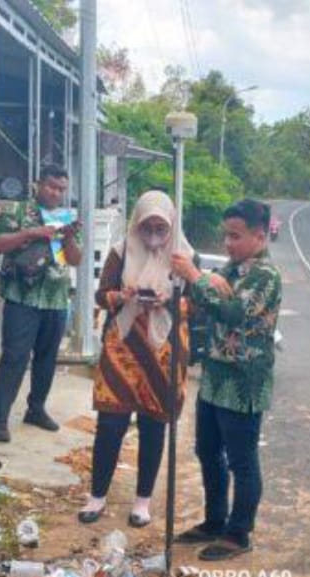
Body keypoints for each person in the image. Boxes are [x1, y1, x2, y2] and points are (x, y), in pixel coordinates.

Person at [168, 199, 283, 562]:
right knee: (206, 451)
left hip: (243, 381)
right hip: (215, 375)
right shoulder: (232, 270)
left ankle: (239, 532)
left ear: (260, 235)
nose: (228, 244)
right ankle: (215, 520)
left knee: (242, 461)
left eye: (235, 236)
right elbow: (205, 304)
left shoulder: (265, 276)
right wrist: (203, 282)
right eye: (226, 236)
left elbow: (234, 313)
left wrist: (196, 277)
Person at [78, 191, 192, 528]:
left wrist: (167, 302)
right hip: (123, 347)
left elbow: (197, 304)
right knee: (110, 424)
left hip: (163, 350)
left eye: (161, 227)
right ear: (136, 223)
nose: (154, 234)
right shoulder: (121, 251)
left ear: (172, 223)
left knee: (153, 426)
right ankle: (97, 496)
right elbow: (102, 296)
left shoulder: (184, 256)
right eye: (147, 226)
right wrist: (123, 296)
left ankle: (142, 502)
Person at [0, 165, 80, 442]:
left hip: (55, 298)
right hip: (21, 298)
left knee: (47, 360)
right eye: (51, 186)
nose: (55, 192)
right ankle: (0, 418)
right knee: (14, 357)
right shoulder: (17, 212)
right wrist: (32, 233)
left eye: (61, 189)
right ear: (38, 185)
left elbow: (75, 259)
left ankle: (36, 409)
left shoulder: (66, 218)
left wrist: (70, 237)